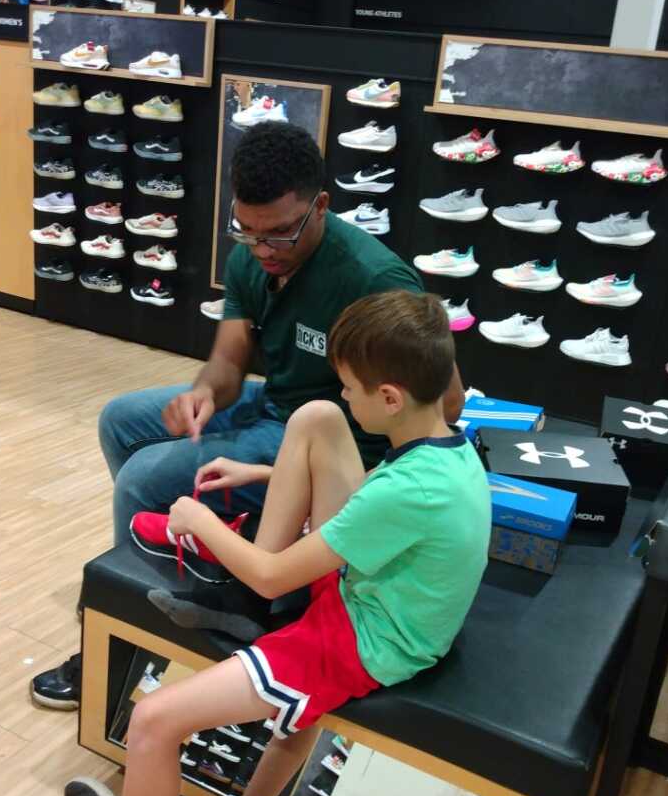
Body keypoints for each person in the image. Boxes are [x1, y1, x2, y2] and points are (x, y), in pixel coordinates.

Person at [0, 289, 492, 796]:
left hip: (362, 639)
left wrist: (198, 522)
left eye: (351, 388)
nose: (345, 398)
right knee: (315, 423)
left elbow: (271, 580)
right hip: (385, 591)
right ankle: (238, 571)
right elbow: (373, 499)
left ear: (388, 396)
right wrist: (265, 474)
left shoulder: (404, 492)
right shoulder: (442, 444)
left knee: (152, 722)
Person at [30, 122, 464, 709]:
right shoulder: (253, 254)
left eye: (280, 234)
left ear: (321, 207)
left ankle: (119, 644)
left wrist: (345, 449)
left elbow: (447, 399)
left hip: (333, 438)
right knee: (120, 419)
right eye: (247, 231)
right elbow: (230, 360)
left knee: (143, 479)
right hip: (275, 403)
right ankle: (192, 575)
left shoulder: (373, 278)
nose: (262, 249)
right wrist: (206, 392)